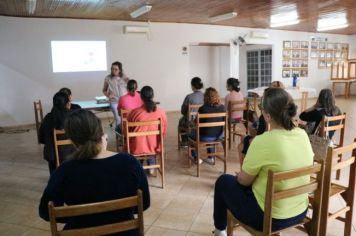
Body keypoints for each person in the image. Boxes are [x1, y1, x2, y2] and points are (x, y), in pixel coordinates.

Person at [213, 87, 313, 236]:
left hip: (270, 217)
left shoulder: (263, 140)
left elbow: (244, 181)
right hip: (299, 211)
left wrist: (241, 176)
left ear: (267, 115)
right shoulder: (302, 134)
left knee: (223, 181)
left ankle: (220, 230)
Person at [39, 110, 150, 236]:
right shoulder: (130, 163)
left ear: (73, 141)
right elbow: (144, 204)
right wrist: (121, 213)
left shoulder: (64, 171)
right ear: (101, 132)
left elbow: (45, 212)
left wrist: (78, 216)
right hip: (125, 233)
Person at [238, 81, 285, 167]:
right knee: (244, 138)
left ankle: (245, 167)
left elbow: (265, 134)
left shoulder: (268, 116)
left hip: (266, 141)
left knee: (242, 143)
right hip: (272, 139)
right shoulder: (283, 113)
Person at [126, 86, 167, 172]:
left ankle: (138, 166)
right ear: (153, 96)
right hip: (155, 146)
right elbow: (163, 131)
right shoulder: (161, 112)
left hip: (137, 147)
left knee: (139, 141)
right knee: (150, 141)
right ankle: (151, 165)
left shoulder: (134, 112)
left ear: (141, 97)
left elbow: (127, 132)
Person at [39, 92, 75, 175]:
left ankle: (55, 180)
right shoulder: (75, 116)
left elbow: (41, 138)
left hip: (53, 157)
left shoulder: (48, 118)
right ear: (68, 104)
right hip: (74, 154)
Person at [190, 87, 225, 164]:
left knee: (190, 134)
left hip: (204, 137)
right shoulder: (222, 107)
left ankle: (196, 157)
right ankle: (211, 157)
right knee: (210, 131)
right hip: (219, 136)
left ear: (205, 97)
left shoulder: (202, 109)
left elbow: (196, 123)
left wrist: (192, 123)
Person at [102, 61, 129, 129]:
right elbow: (104, 90)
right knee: (118, 119)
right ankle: (118, 136)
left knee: (126, 118)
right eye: (112, 69)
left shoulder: (125, 78)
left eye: (115, 69)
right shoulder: (108, 78)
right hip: (114, 102)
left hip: (124, 102)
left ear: (120, 70)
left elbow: (130, 89)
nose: (113, 71)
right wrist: (108, 95)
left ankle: (125, 135)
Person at [178, 77, 204, 144]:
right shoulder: (205, 96)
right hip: (202, 119)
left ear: (192, 86)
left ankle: (185, 141)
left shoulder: (189, 96)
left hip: (191, 120)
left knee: (181, 121)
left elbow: (183, 111)